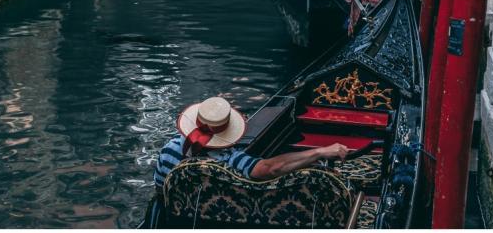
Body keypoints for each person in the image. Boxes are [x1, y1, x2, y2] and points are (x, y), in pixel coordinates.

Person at [148, 97, 349, 227]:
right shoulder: (230, 160)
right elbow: (270, 169)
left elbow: (162, 194)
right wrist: (320, 151)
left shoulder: (169, 151)